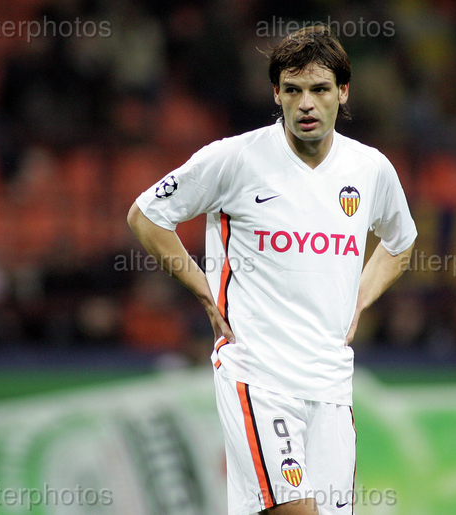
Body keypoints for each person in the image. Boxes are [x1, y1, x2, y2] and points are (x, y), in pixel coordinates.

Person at [127, 25, 416, 515]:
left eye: (320, 89)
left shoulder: (370, 169)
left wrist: (358, 300)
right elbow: (146, 216)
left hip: (330, 383)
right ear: (276, 94)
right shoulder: (234, 159)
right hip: (258, 375)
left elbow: (400, 244)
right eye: (293, 90)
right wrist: (203, 291)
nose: (307, 103)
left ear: (343, 93)